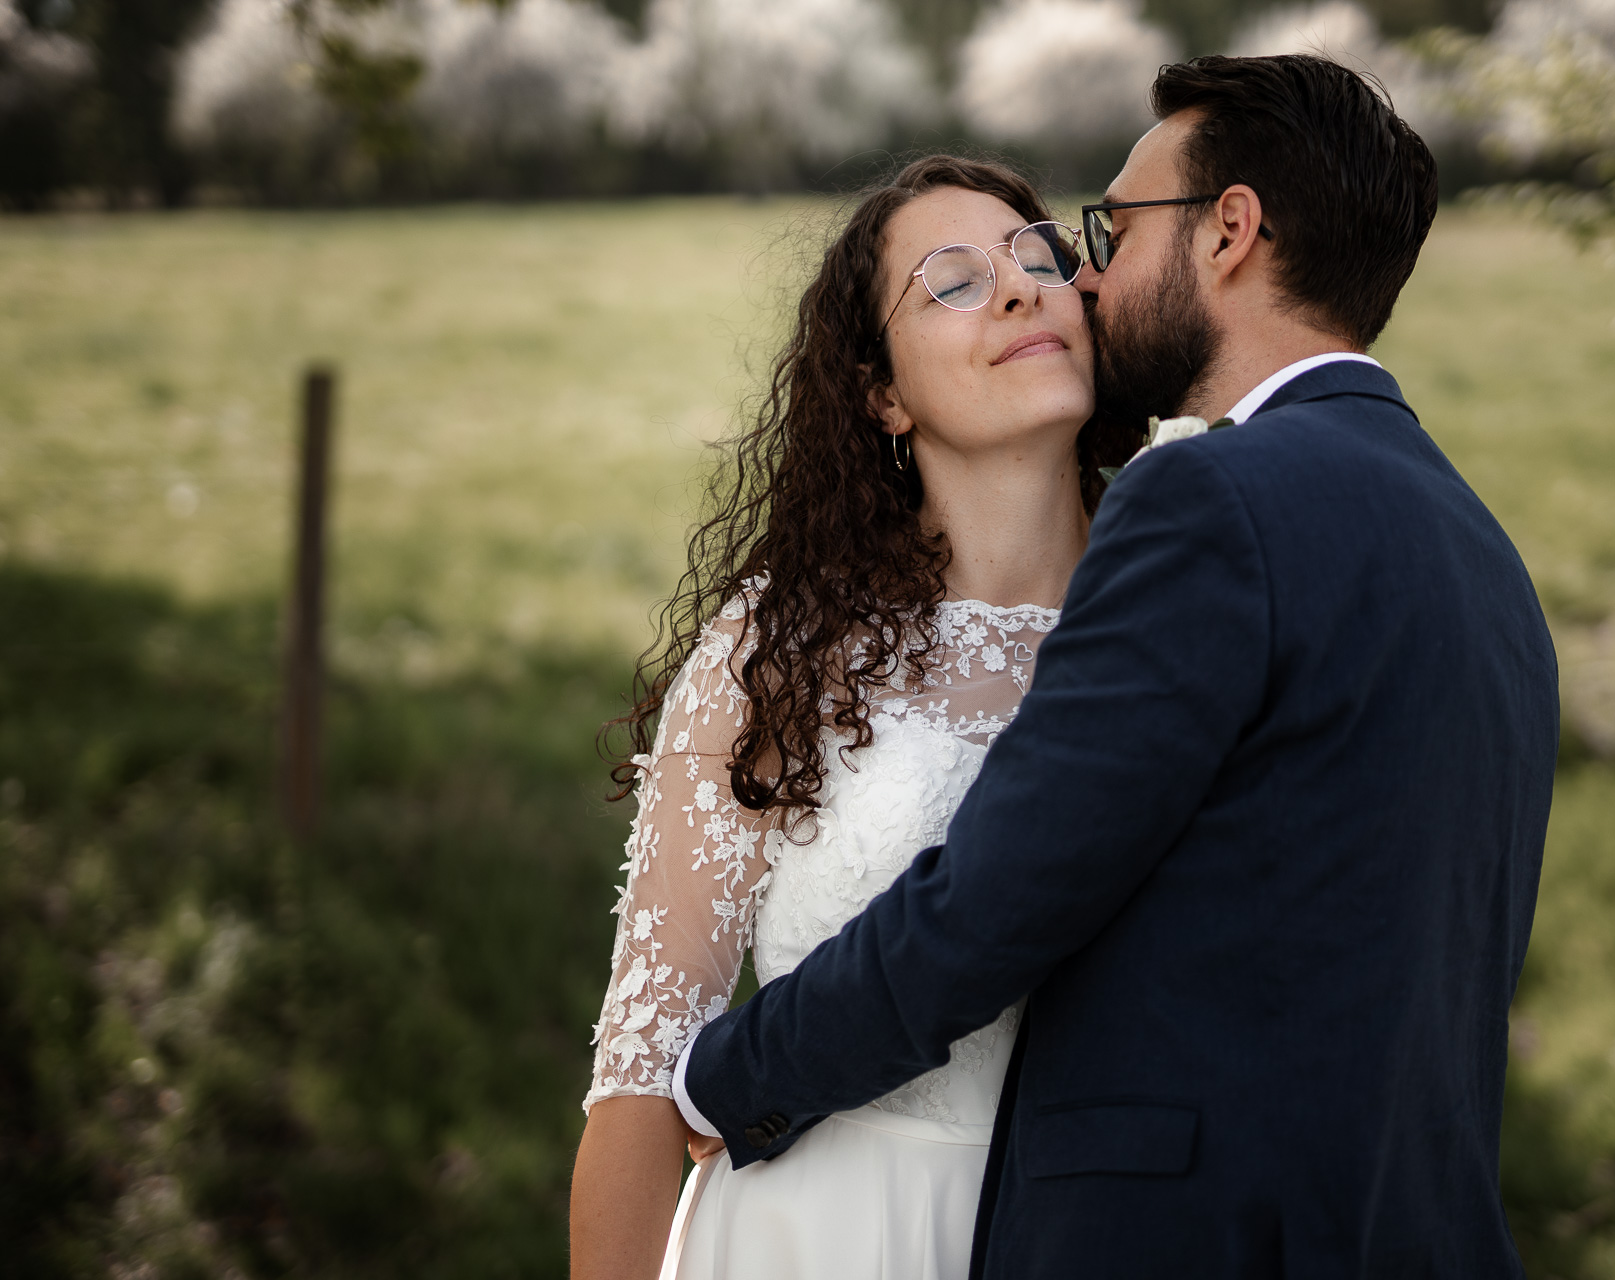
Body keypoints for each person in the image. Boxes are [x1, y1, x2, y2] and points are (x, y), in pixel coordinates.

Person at [673, 54, 1561, 1279]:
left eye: (1113, 226)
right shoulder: (1482, 550)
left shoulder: (1208, 498)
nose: (1084, 274)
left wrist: (724, 1080)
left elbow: (1004, 893)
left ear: (1229, 232)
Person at [568, 154, 1136, 1279]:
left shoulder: (1177, 625)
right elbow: (643, 1072)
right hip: (815, 1237)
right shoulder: (786, 649)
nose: (1022, 288)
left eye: (1039, 258)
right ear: (881, 392)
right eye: (954, 283)